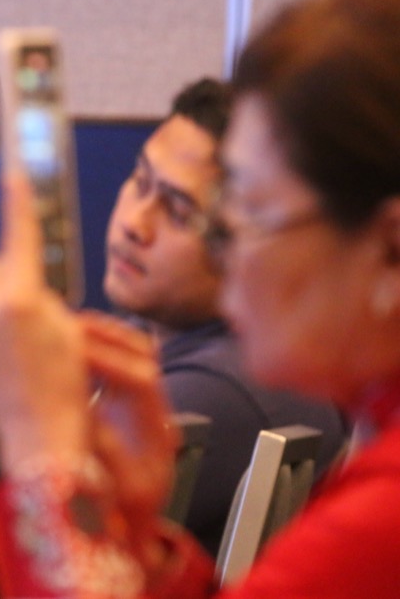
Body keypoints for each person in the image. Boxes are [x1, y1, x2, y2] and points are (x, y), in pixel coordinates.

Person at [0, 0, 400, 596]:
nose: (230, 253)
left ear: (388, 247)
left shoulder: (383, 517)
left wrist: (42, 462)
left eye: (252, 211)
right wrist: (134, 536)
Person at [103, 76, 347, 553]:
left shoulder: (222, 390)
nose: (135, 223)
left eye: (178, 211)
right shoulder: (174, 346)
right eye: (140, 181)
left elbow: (52, 538)